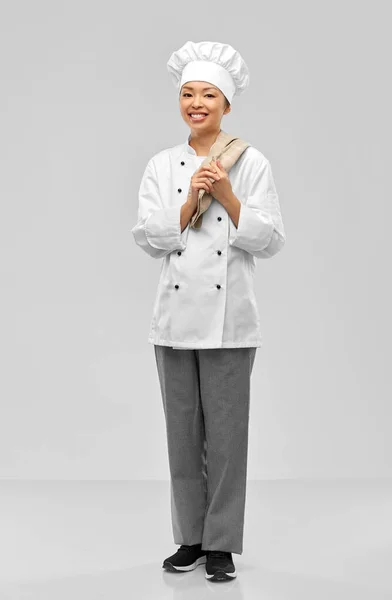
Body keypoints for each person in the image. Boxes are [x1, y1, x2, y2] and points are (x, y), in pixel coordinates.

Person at [131, 40, 286, 582]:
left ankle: (221, 544)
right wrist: (186, 204)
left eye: (209, 94)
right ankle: (191, 538)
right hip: (173, 320)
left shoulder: (251, 161)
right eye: (188, 94)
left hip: (231, 322)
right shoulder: (160, 164)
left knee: (225, 436)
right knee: (181, 432)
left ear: (227, 104)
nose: (197, 103)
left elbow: (269, 240)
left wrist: (224, 190)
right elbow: (149, 237)